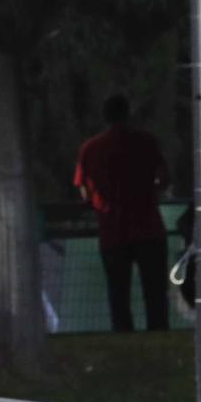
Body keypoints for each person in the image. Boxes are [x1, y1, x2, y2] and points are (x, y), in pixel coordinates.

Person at [73, 93, 172, 333]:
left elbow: (83, 186)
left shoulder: (91, 148)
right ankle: (158, 333)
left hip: (112, 230)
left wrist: (100, 205)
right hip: (148, 225)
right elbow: (165, 176)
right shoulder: (147, 142)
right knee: (155, 291)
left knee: (118, 293)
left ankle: (124, 334)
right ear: (128, 113)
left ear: (104, 116)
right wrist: (151, 194)